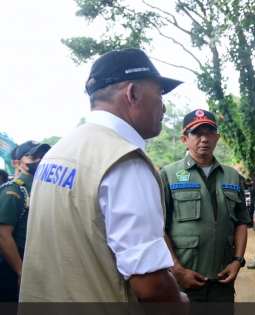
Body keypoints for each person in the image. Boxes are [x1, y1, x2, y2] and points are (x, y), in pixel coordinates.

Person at [20, 48, 188, 303]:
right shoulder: (123, 161)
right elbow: (151, 285)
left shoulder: (59, 151)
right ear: (132, 93)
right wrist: (180, 304)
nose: (163, 107)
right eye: (159, 94)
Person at [160, 109, 251, 304]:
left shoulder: (232, 176)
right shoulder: (168, 174)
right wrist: (176, 269)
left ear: (217, 137)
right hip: (184, 278)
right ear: (185, 139)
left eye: (209, 133)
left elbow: (241, 222)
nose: (204, 139)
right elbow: (158, 227)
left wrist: (237, 261)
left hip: (222, 278)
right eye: (197, 133)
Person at [0, 141, 50, 302]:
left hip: (38, 263)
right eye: (33, 157)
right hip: (14, 266)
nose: (39, 161)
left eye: (43, 157)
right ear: (16, 163)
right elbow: (3, 235)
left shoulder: (44, 188)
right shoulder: (14, 191)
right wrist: (21, 272)